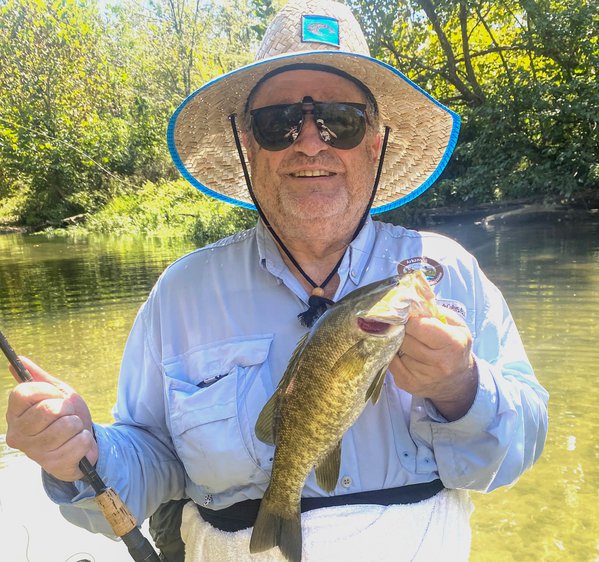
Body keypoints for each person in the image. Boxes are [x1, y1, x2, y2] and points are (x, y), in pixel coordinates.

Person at [5, 1, 549, 561]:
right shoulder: (182, 294)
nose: (311, 143)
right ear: (246, 143)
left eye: (340, 119)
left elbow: (518, 452)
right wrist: (78, 452)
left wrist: (461, 387)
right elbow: (152, 462)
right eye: (278, 122)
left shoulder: (449, 270)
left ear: (376, 140)